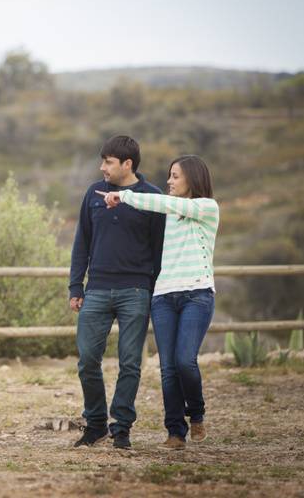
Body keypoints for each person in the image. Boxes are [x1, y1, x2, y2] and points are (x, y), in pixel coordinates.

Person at [97, 154, 219, 450]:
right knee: (168, 369)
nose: (169, 181)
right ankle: (175, 432)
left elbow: (164, 202)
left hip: (197, 294)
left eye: (175, 176)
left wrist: (124, 195)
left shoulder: (206, 207)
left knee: (185, 361)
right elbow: (157, 212)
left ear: (193, 177)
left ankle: (197, 413)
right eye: (169, 176)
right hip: (164, 296)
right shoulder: (168, 212)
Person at [70, 136, 166, 450]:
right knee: (87, 360)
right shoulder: (93, 194)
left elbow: (158, 249)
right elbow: (81, 242)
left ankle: (121, 427)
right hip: (96, 289)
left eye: (109, 162)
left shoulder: (152, 197)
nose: (102, 167)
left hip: (135, 291)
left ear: (128, 164)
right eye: (103, 161)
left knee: (129, 363)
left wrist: (153, 291)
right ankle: (96, 424)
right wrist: (76, 286)